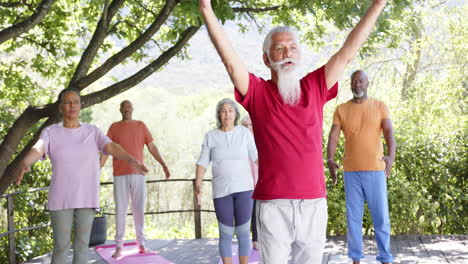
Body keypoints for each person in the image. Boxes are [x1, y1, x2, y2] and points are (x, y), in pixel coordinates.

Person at [198, 0, 387, 263]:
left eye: (292, 48)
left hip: (314, 204)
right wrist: (206, 9)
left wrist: (378, 5)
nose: (288, 53)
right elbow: (231, 64)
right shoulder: (257, 92)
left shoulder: (315, 85)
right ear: (267, 58)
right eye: (279, 49)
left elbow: (347, 54)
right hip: (273, 206)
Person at [15, 88, 148, 264]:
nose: (72, 105)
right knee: (61, 247)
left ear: (80, 106)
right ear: (61, 107)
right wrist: (26, 161)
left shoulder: (92, 131)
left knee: (82, 246)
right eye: (67, 102)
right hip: (61, 197)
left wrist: (131, 159)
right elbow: (39, 147)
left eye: (75, 102)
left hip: (87, 197)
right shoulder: (51, 132)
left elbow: (112, 147)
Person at [327, 70, 395, 264]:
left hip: (375, 170)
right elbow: (333, 135)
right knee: (353, 219)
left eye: (361, 81)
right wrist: (330, 159)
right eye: (354, 81)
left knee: (381, 217)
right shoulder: (341, 109)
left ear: (367, 83)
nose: (357, 85)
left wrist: (391, 155)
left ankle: (385, 257)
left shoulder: (380, 106)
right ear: (351, 84)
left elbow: (389, 131)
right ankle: (356, 258)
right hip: (351, 172)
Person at [100, 100, 170, 258]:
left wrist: (163, 165)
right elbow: (106, 150)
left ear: (132, 109)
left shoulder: (141, 125)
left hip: (138, 174)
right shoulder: (114, 127)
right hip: (120, 175)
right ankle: (119, 246)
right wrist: (98, 169)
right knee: (121, 210)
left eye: (129, 107)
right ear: (120, 110)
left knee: (138, 209)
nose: (126, 110)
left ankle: (141, 243)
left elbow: (152, 147)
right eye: (124, 107)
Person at [195, 98, 258, 264]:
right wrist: (198, 184)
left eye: (230, 110)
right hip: (221, 191)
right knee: (225, 233)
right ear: (218, 115)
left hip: (244, 189)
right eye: (223, 111)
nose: (227, 114)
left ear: (236, 113)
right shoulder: (211, 136)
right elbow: (202, 161)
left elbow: (256, 157)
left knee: (244, 232)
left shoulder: (244, 133)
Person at [240, 115, 259, 250]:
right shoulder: (240, 143)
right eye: (245, 125)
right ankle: (250, 240)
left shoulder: (260, 140)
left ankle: (258, 239)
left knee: (259, 212)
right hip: (245, 183)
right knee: (247, 213)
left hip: (259, 182)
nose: (248, 128)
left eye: (250, 125)